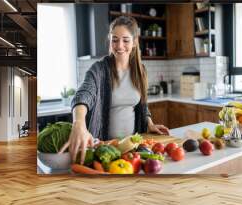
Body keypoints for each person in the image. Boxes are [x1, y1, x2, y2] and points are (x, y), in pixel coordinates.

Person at [69, 16, 169, 164]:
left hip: (132, 148)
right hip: (105, 149)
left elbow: (141, 105)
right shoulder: (99, 70)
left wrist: (149, 123)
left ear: (134, 42)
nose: (119, 45)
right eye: (114, 40)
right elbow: (84, 94)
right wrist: (78, 122)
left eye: (125, 40)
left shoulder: (140, 70)